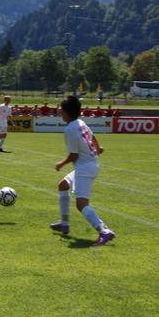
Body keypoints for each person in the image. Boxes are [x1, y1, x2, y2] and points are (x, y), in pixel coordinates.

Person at [50, 96, 115, 247]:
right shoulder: (81, 123)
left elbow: (74, 155)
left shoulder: (70, 129)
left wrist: (61, 164)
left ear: (67, 112)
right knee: (63, 185)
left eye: (62, 110)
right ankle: (64, 224)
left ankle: (104, 231)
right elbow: (93, 137)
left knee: (81, 204)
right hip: (91, 164)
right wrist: (98, 148)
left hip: (84, 168)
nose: (60, 113)